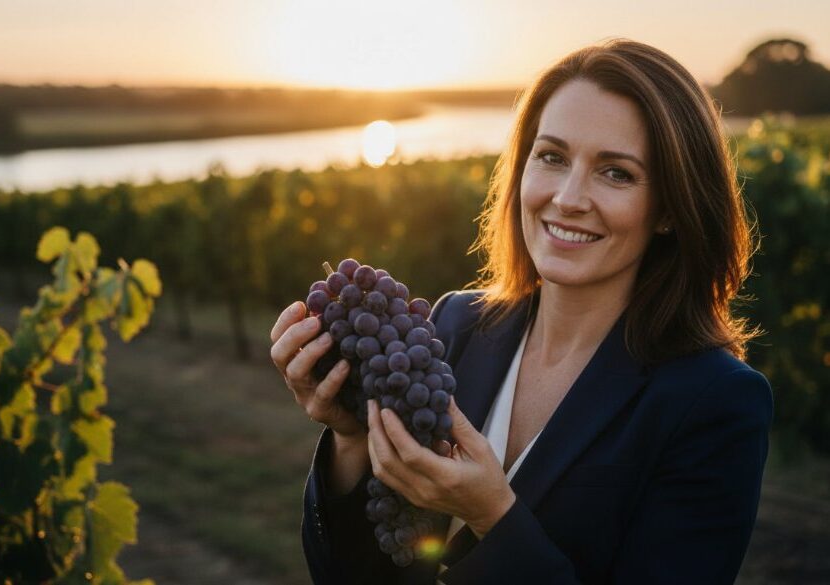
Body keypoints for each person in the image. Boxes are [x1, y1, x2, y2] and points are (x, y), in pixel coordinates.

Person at [270, 38, 773, 584]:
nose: (568, 197)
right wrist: (350, 441)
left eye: (616, 173)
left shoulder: (714, 402)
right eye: (552, 157)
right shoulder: (453, 326)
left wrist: (494, 517)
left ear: (671, 210)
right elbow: (355, 574)